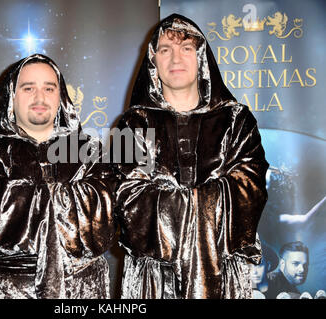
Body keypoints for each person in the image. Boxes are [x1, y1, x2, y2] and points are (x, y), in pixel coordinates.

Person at [114, 14, 269, 299]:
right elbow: (129, 197)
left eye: (186, 48)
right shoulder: (134, 124)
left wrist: (172, 201)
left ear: (201, 57)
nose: (176, 58)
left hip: (223, 273)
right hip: (155, 278)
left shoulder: (236, 120)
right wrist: (210, 198)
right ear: (153, 61)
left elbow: (251, 188)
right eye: (165, 49)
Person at [0, 54, 116, 299]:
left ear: (60, 96)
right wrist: (68, 200)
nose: (40, 97)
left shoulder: (88, 148)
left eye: (49, 88)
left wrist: (22, 201)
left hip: (78, 293)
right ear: (12, 95)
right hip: (3, 291)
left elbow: (102, 219)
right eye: (28, 88)